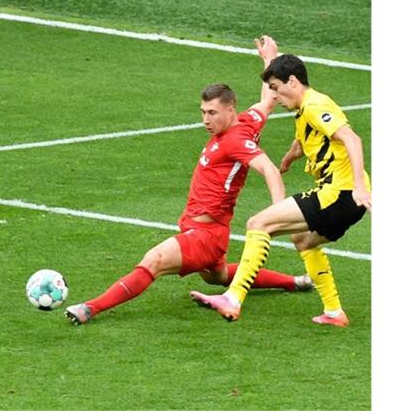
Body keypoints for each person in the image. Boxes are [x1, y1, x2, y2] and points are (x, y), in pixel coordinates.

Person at [65, 37, 313, 325]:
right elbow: (268, 100)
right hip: (209, 230)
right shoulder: (246, 121)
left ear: (230, 109)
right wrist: (269, 58)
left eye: (212, 113)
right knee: (218, 277)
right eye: (203, 112)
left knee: (154, 260)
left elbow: (269, 170)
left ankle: (89, 308)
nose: (205, 120)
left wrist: (277, 212)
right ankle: (295, 282)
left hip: (205, 236)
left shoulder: (235, 140)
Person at [190, 36, 371, 328]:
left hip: (342, 193)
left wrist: (360, 188)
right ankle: (334, 312)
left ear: (293, 82)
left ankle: (233, 297)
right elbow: (305, 140)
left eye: (277, 88)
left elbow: (351, 138)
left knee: (258, 224)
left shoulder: (315, 105)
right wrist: (290, 157)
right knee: (304, 240)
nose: (275, 96)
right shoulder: (305, 109)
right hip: (346, 198)